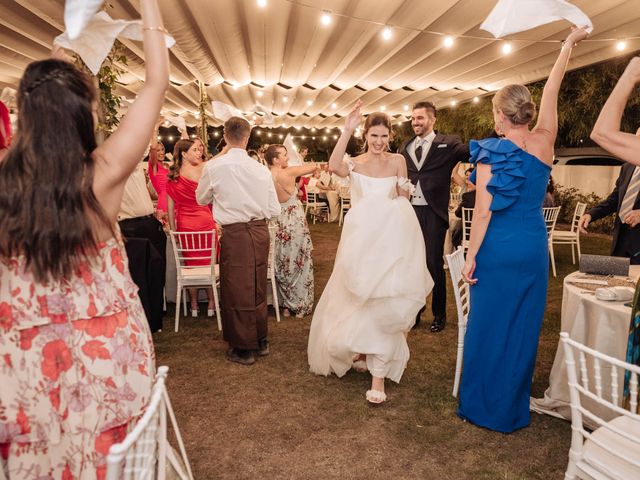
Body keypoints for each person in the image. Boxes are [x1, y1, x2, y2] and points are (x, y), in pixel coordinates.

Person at [0, 0, 168, 475]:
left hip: (22, 369)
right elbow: (157, 83)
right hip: (105, 367)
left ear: (25, 115)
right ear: (87, 114)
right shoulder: (103, 174)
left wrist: (59, 54)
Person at [458, 27, 589, 433]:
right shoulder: (545, 142)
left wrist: (470, 255)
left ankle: (482, 405)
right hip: (533, 245)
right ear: (528, 113)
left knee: (489, 322)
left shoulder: (490, 153)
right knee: (521, 326)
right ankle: (513, 406)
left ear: (500, 115)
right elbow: (553, 89)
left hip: (497, 246)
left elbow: (482, 214)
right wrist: (566, 46)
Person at [308, 101, 433, 404]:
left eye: (384, 136)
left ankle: (378, 377)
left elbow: (404, 202)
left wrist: (403, 241)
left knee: (384, 302)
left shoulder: (398, 161)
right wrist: (346, 129)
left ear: (390, 136)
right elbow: (335, 165)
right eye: (374, 136)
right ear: (366, 135)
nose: (379, 142)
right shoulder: (355, 162)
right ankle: (362, 352)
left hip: (390, 242)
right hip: (360, 240)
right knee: (358, 296)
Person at [196, 117, 280, 366]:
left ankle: (244, 347)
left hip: (235, 232)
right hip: (259, 230)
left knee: (236, 287)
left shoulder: (214, 167)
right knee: (255, 284)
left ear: (224, 135)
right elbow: (274, 209)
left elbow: (201, 198)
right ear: (247, 136)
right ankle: (260, 339)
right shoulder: (261, 169)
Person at [399, 101, 470, 332]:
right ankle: (415, 312)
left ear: (432, 120)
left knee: (433, 264)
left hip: (433, 212)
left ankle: (439, 314)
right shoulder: (405, 146)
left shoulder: (448, 143)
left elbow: (470, 151)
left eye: (419, 118)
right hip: (409, 212)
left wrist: (499, 135)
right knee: (411, 264)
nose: (415, 122)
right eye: (412, 118)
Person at [167, 138, 218, 317]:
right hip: (205, 221)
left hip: (184, 225)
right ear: (183, 153)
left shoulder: (173, 173)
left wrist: (174, 232)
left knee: (191, 266)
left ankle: (194, 305)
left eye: (200, 150)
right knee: (209, 262)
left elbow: (170, 207)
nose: (199, 153)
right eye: (195, 150)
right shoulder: (204, 167)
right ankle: (212, 303)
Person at [265, 144, 317, 318]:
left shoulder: (264, 175)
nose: (287, 158)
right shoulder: (289, 172)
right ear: (275, 159)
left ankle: (285, 305)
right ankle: (298, 303)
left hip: (277, 221)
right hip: (293, 221)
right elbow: (313, 167)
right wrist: (299, 160)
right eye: (284, 155)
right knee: (299, 260)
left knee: (282, 261)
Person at [580, 128, 640, 262]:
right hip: (621, 240)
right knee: (618, 282)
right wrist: (591, 214)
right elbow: (614, 200)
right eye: (636, 139)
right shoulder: (627, 167)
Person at [452, 168, 476, 248]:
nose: (467, 179)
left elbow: (457, 214)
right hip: (485, 232)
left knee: (454, 231)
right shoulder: (487, 195)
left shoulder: (467, 197)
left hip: (468, 233)